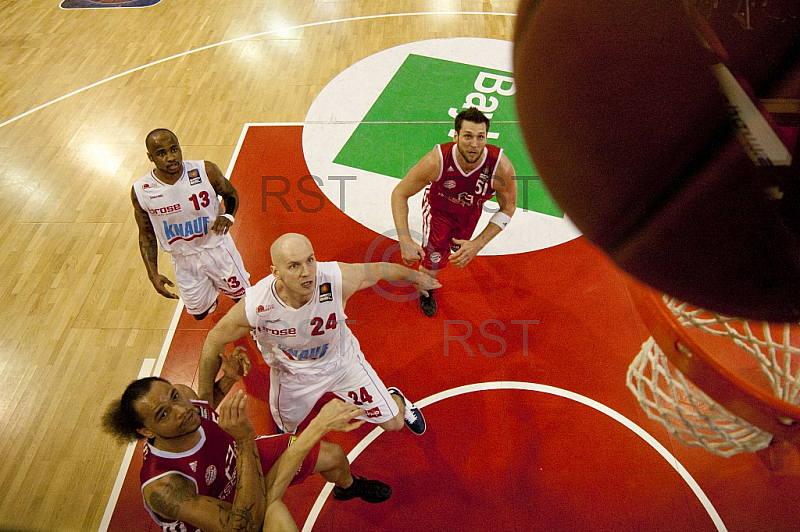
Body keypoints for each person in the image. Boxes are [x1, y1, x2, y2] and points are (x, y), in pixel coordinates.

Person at [102, 347, 392, 532]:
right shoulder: (165, 486)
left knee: (334, 456)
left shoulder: (185, 400)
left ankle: (347, 487)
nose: (181, 411)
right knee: (278, 517)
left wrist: (228, 378)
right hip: (228, 514)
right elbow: (244, 525)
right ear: (146, 432)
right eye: (163, 415)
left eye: (174, 397)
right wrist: (243, 441)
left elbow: (203, 406)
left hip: (244, 460)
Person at [197, 232, 441, 436]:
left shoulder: (335, 278)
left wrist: (416, 278)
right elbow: (213, 341)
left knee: (394, 423)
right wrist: (205, 400)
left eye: (310, 260)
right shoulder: (258, 304)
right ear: (276, 272)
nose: (307, 272)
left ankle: (394, 397)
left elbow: (381, 269)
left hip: (342, 363)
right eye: (294, 265)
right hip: (294, 375)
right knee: (286, 431)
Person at [391, 107, 518, 317]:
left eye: (480, 137)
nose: (474, 144)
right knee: (434, 258)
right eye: (468, 136)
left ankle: (444, 260)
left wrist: (477, 244)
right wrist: (404, 240)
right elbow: (399, 193)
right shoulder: (436, 161)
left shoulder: (500, 167)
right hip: (440, 209)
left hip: (470, 213)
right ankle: (426, 288)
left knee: (459, 251)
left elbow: (509, 207)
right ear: (456, 135)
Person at [131, 128, 251, 320]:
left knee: (243, 299)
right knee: (199, 314)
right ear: (150, 157)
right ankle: (211, 297)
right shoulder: (142, 190)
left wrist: (228, 216)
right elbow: (146, 234)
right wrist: (152, 273)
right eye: (161, 153)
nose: (171, 157)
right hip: (184, 259)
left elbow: (231, 194)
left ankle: (253, 327)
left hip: (217, 249)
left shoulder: (205, 170)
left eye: (174, 149)